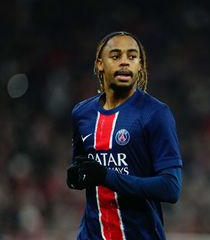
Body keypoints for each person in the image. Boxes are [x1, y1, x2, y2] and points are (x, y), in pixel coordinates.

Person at [66, 31, 183, 240]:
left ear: (140, 65)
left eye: (132, 56)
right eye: (116, 56)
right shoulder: (82, 114)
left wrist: (107, 176)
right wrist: (76, 176)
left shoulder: (155, 114)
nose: (124, 63)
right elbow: (82, 165)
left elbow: (171, 188)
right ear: (100, 64)